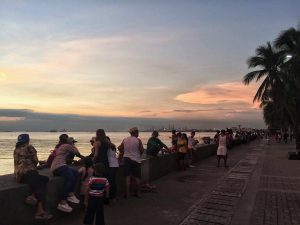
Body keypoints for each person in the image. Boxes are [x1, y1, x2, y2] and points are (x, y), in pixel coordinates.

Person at [14, 134, 52, 220]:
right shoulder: (29, 147)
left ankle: (33, 196)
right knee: (43, 180)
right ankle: (39, 210)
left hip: (19, 175)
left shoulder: (16, 149)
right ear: (28, 140)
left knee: (41, 180)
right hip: (28, 173)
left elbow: (17, 163)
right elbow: (36, 161)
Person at [50, 133, 83, 212]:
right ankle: (63, 201)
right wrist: (71, 143)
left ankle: (70, 193)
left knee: (75, 173)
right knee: (70, 177)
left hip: (57, 166)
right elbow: (77, 153)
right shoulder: (66, 146)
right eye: (68, 138)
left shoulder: (59, 146)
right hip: (59, 166)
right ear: (66, 139)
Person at [118, 127, 144, 198]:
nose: (138, 133)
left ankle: (128, 194)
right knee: (138, 177)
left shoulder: (125, 139)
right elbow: (142, 150)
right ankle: (138, 193)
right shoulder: (138, 140)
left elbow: (119, 148)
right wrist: (139, 155)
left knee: (127, 177)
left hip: (126, 159)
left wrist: (123, 153)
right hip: (136, 160)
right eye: (137, 132)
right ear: (135, 132)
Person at [106, 136, 119, 201]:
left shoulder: (108, 147)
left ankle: (113, 196)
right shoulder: (112, 146)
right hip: (115, 164)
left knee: (111, 181)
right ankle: (113, 196)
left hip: (111, 165)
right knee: (112, 181)